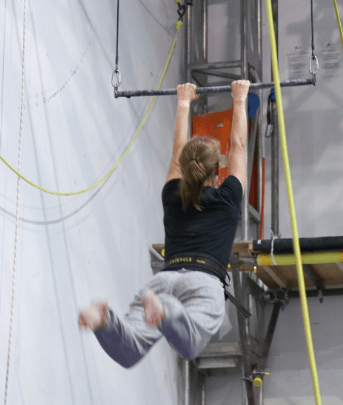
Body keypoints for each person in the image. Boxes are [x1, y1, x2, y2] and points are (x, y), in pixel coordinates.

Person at [78, 79, 250, 367]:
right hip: (202, 283)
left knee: (129, 351)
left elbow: (178, 150)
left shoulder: (172, 195)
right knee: (189, 345)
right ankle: (167, 311)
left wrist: (183, 102)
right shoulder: (227, 198)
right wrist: (240, 98)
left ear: (185, 167)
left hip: (164, 280)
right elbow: (239, 147)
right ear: (217, 169)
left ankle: (104, 321)